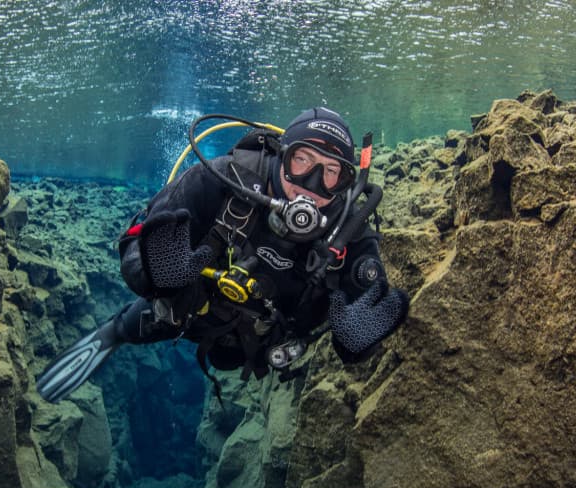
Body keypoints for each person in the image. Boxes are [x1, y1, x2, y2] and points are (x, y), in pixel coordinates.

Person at [37, 107, 409, 403]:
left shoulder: (350, 232)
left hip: (265, 342)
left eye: (331, 173)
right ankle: (114, 332)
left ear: (346, 184)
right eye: (303, 161)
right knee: (147, 319)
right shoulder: (218, 182)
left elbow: (368, 308)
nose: (311, 188)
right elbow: (133, 245)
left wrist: (356, 345)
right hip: (190, 308)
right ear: (281, 156)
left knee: (228, 359)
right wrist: (157, 278)